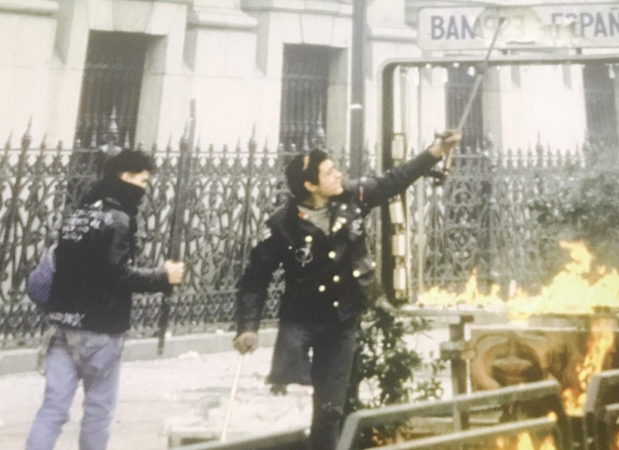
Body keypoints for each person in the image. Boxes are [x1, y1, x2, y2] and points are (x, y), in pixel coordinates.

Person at [233, 131, 461, 449]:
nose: (338, 174)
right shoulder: (282, 226)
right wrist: (247, 328)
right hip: (300, 321)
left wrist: (437, 150)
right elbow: (255, 279)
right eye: (329, 172)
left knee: (330, 408)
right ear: (310, 186)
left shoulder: (353, 198)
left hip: (341, 319)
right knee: (289, 397)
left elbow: (394, 180)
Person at [26, 149, 185, 450]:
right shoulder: (119, 220)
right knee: (98, 410)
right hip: (100, 326)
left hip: (61, 324)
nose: (145, 188)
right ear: (125, 177)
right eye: (143, 180)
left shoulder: (79, 213)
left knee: (52, 409)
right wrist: (163, 277)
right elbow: (116, 274)